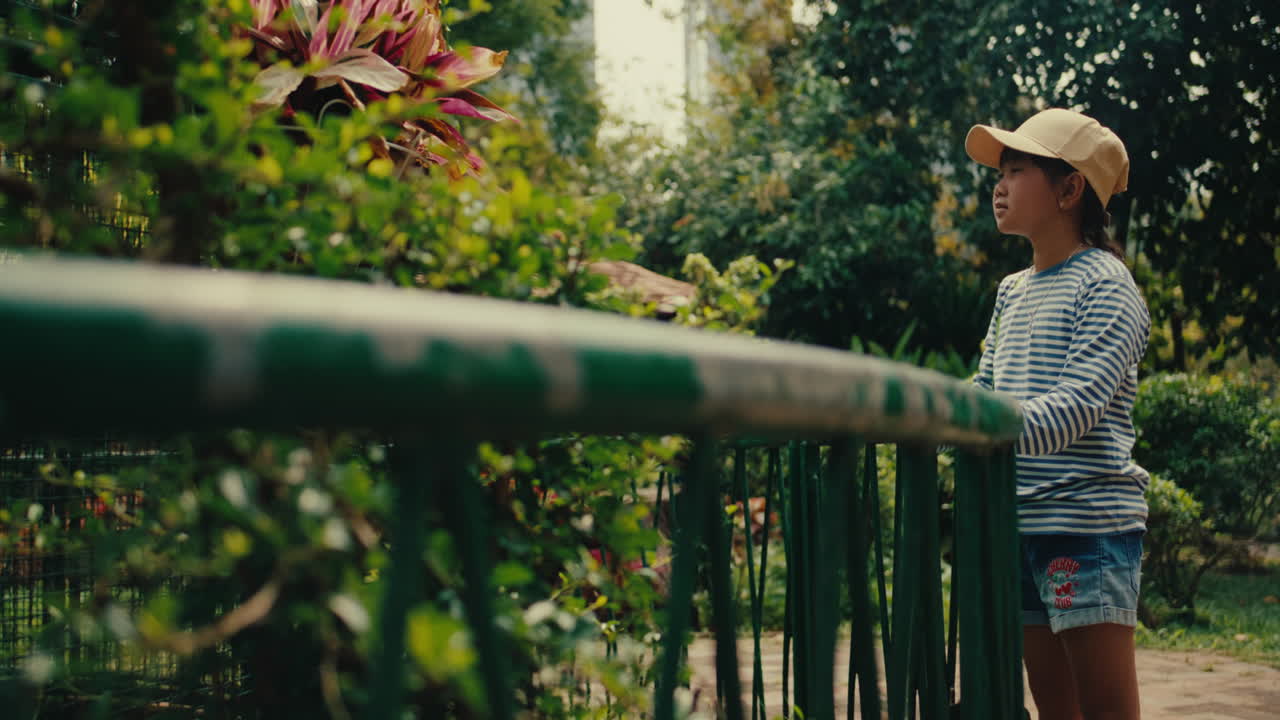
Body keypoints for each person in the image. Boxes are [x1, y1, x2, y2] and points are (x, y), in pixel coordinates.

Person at [966, 108, 1151, 720]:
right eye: (1000, 173)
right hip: (1021, 524)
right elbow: (984, 388)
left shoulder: (1105, 284)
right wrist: (929, 420)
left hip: (1086, 526)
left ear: (1070, 190)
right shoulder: (1012, 291)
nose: (999, 186)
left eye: (1016, 171)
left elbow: (1076, 408)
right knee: (1056, 711)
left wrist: (977, 423)